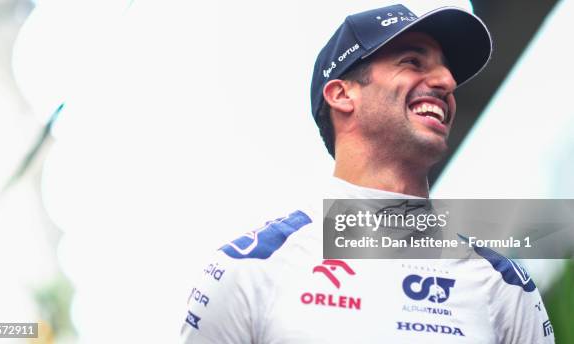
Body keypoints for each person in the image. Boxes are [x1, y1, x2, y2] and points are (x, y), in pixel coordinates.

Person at [181, 4, 554, 343]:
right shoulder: (252, 268)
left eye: (447, 69)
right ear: (342, 95)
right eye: (412, 61)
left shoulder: (502, 283)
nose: (447, 82)